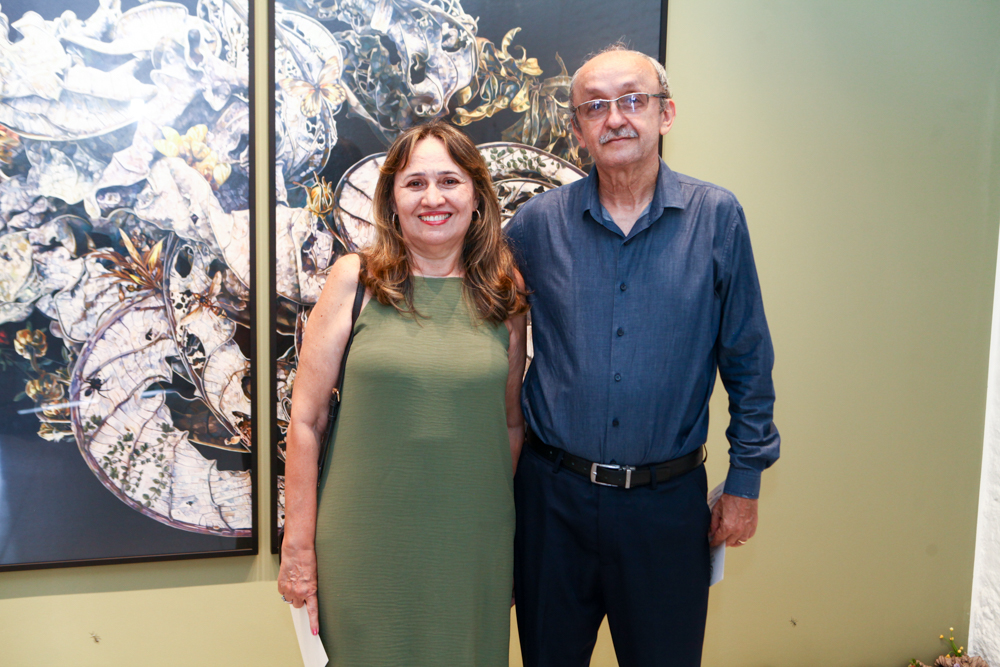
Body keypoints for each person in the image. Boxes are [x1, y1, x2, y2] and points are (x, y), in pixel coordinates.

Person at [505, 43, 780, 667]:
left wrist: (745, 482)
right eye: (595, 107)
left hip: (667, 508)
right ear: (577, 129)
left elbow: (748, 360)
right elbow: (477, 322)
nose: (615, 118)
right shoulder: (536, 226)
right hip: (553, 504)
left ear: (666, 113)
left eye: (633, 100)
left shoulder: (717, 218)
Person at [278, 121, 529, 666]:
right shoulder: (355, 280)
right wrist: (297, 546)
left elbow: (510, 424)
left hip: (472, 544)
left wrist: (504, 541)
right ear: (392, 200)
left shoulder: (504, 292)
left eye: (449, 181)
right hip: (364, 543)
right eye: (415, 183)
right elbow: (306, 421)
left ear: (477, 197)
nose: (433, 198)